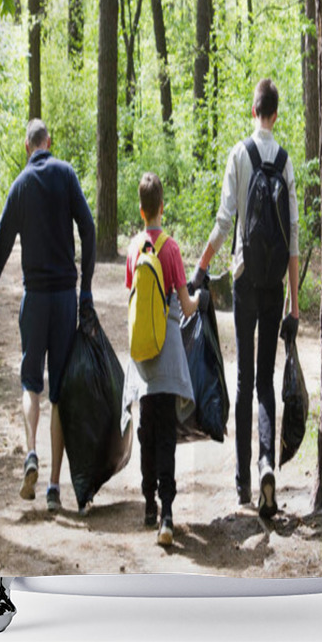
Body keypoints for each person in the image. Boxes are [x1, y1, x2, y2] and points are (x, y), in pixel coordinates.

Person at [191, 78, 300, 519]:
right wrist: (295, 304)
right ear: (275, 114)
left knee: (243, 380)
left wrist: (200, 266)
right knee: (266, 381)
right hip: (274, 284)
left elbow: (223, 222)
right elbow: (292, 236)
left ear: (253, 111)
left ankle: (240, 483)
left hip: (242, 278)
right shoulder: (287, 162)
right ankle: (266, 464)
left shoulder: (239, 154)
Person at [0, 119, 95, 513]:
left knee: (31, 384)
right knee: (60, 393)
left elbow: (1, 242)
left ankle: (30, 452)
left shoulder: (20, 186)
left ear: (28, 147)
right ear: (49, 142)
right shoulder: (66, 175)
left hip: (34, 300)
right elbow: (89, 228)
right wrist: (87, 287)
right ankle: (52, 487)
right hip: (65, 298)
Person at [126, 172, 204, 546]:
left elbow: (135, 304)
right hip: (168, 355)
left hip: (142, 359)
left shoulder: (133, 248)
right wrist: (200, 299)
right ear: (162, 208)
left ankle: (147, 505)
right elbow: (186, 306)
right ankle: (168, 515)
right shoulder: (171, 249)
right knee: (166, 436)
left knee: (146, 432)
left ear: (141, 210)